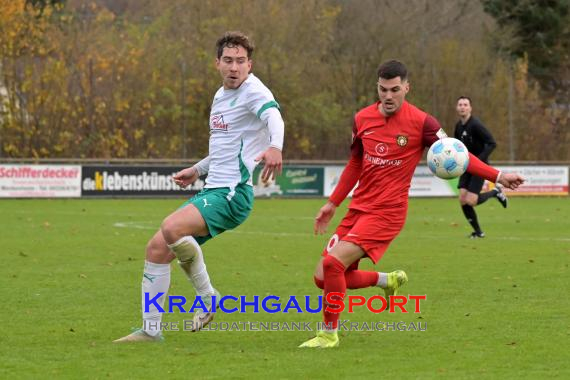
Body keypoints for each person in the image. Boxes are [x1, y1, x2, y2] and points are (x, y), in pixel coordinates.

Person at [299, 60, 524, 348]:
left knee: (332, 265)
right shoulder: (362, 119)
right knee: (324, 278)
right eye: (383, 90)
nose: (388, 96)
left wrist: (500, 176)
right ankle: (386, 280)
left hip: (387, 214)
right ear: (377, 88)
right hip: (358, 209)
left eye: (395, 89)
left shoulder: (423, 123)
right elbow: (355, 162)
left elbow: (460, 154)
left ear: (407, 87)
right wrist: (332, 203)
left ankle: (328, 335)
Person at [114, 31, 284, 342]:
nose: (234, 67)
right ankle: (151, 332)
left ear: (250, 65)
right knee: (156, 249)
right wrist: (197, 169)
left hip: (233, 194)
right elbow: (224, 148)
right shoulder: (221, 97)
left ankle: (208, 297)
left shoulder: (253, 91)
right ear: (217, 63)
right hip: (212, 190)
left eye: (241, 61)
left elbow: (275, 117)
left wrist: (276, 146)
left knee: (171, 228)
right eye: (229, 60)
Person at [455, 96, 508, 238]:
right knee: (462, 199)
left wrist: (478, 161)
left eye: (465, 105)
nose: (462, 107)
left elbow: (492, 143)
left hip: (479, 167)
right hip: (465, 166)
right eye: (460, 104)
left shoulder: (476, 125)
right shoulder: (458, 126)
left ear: (470, 108)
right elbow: (457, 146)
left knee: (471, 201)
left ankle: (495, 192)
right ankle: (478, 232)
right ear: (457, 107)